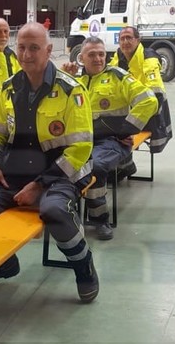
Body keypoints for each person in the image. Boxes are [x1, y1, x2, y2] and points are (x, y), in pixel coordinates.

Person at [0, 22, 99, 302]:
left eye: (34, 48)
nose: (26, 55)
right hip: (18, 171)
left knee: (54, 210)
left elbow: (81, 147)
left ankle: (83, 266)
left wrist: (40, 185)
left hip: (62, 172)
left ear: (48, 50)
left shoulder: (71, 90)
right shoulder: (9, 89)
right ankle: (4, 264)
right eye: (21, 47)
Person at [61, 36, 157, 240]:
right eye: (92, 55)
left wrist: (126, 130)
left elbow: (149, 100)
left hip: (112, 141)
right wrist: (64, 78)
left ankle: (99, 219)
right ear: (81, 58)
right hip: (80, 141)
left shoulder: (117, 76)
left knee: (95, 165)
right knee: (56, 162)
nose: (98, 59)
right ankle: (65, 212)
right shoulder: (74, 81)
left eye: (101, 54)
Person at [111, 25, 172, 159]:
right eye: (122, 39)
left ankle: (123, 162)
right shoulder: (119, 56)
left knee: (116, 136)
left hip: (149, 112)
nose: (125, 42)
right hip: (129, 108)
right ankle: (123, 163)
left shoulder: (149, 58)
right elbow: (110, 78)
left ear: (138, 40)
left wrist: (129, 127)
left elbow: (156, 95)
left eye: (129, 38)